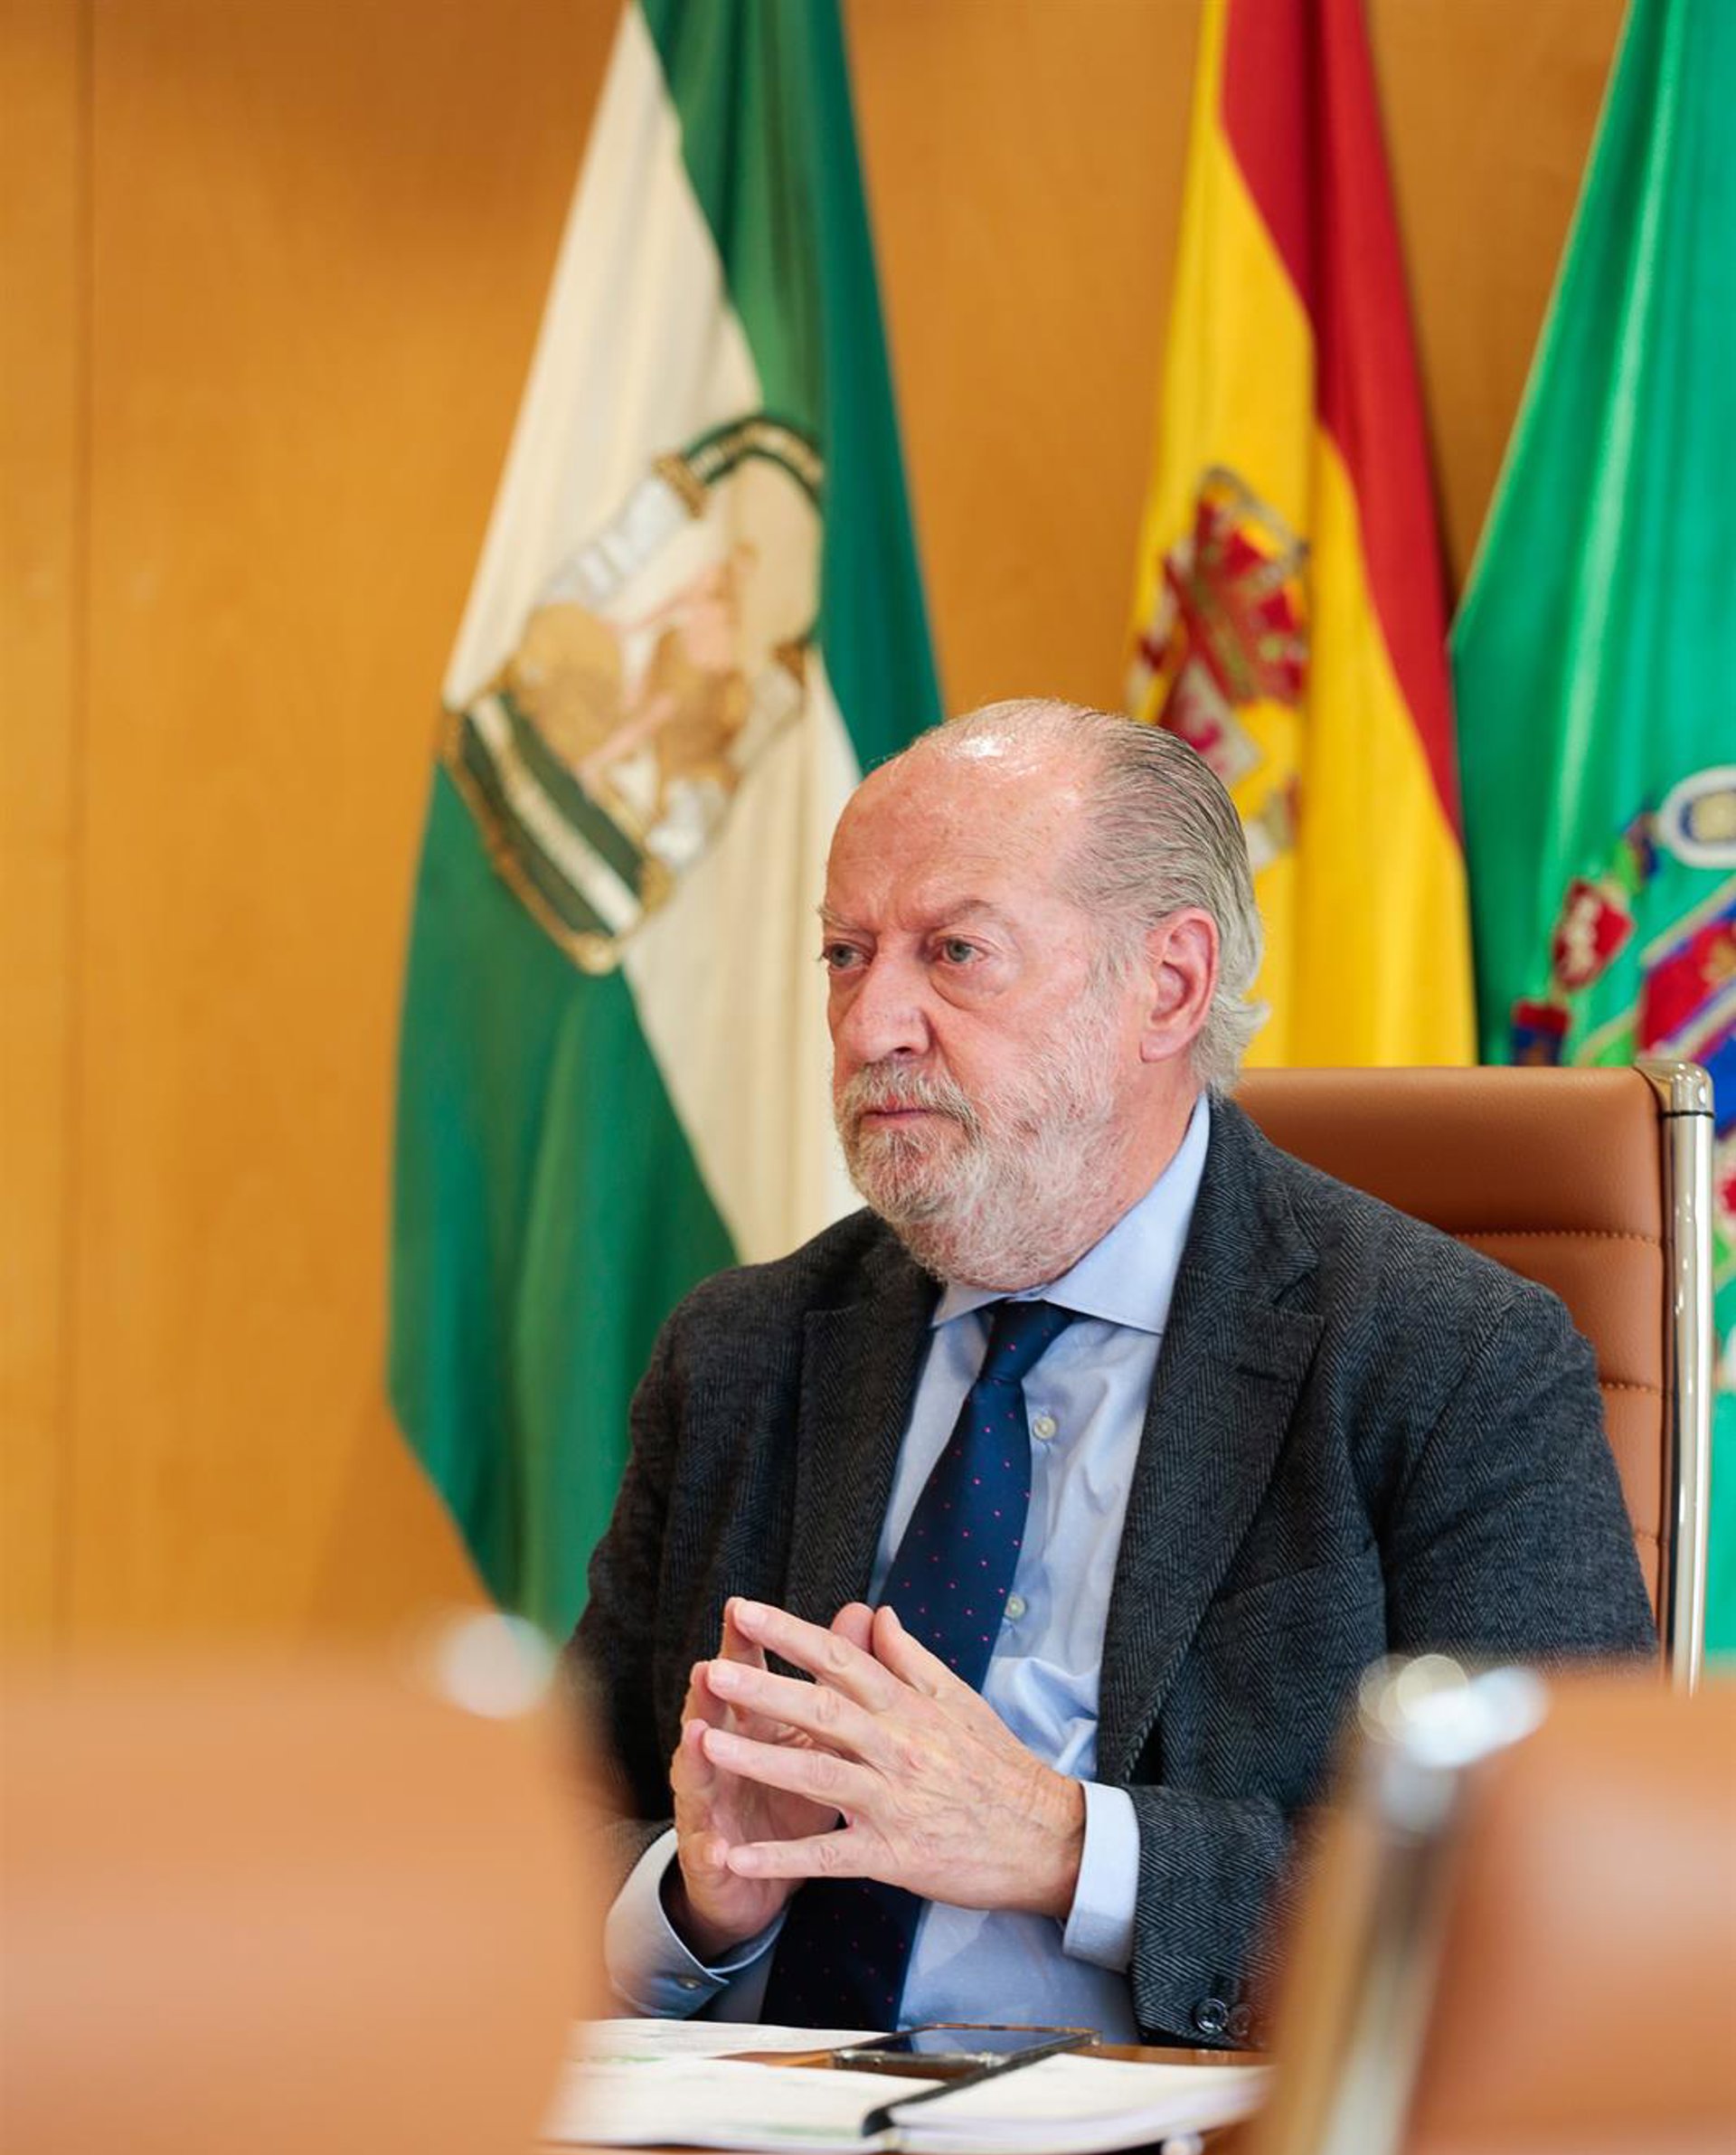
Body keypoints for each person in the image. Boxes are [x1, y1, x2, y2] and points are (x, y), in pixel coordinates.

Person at [574, 701, 1655, 2046]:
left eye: (955, 952)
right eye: (846, 955)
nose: (872, 1024)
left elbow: (1568, 1896)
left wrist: (1066, 1844)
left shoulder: (1446, 1360)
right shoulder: (744, 1351)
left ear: (1170, 986)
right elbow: (549, 1825)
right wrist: (697, 1895)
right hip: (734, 2140)